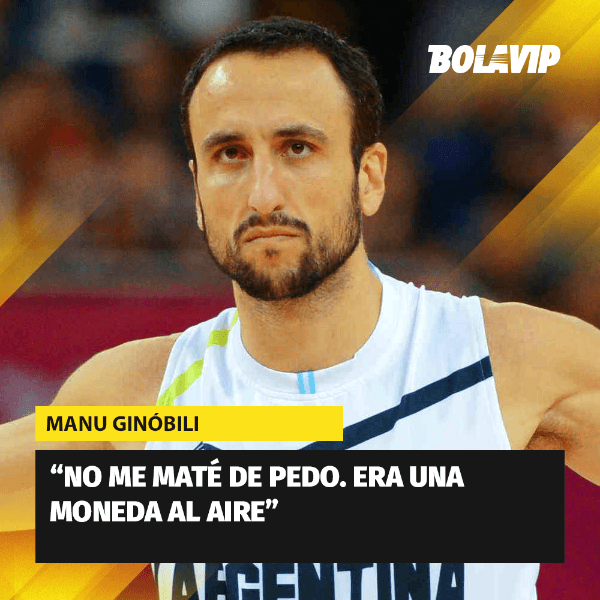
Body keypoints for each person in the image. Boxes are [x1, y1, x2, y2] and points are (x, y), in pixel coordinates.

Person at [2, 15, 599, 600]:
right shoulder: (132, 399)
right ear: (197, 194)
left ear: (370, 177)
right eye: (230, 154)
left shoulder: (512, 359)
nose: (263, 194)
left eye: (297, 147)